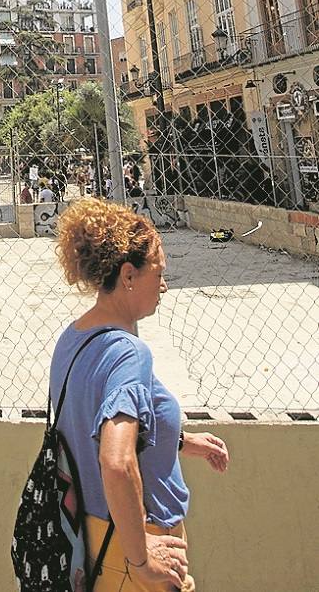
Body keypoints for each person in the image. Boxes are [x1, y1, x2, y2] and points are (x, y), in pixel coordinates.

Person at [50, 198, 229, 590]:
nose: (164, 285)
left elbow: (90, 422)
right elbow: (116, 460)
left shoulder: (74, 338)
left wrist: (179, 439)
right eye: (158, 273)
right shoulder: (129, 354)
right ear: (128, 275)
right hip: (135, 543)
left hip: (91, 536)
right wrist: (142, 560)